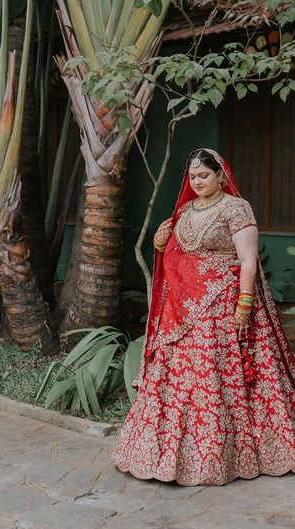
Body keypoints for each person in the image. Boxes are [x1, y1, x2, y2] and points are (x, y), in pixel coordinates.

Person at [112, 148, 295, 486]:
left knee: (218, 374)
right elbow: (175, 255)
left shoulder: (236, 209)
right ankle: (165, 452)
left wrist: (243, 304)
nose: (197, 182)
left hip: (223, 305)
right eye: (193, 176)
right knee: (181, 377)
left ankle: (231, 451)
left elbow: (248, 261)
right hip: (183, 309)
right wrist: (159, 241)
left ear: (221, 175)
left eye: (204, 176)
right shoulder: (183, 211)